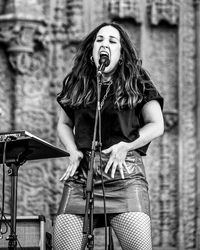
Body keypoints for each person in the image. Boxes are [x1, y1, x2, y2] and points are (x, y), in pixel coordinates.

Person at [53, 22, 164, 250]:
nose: (105, 44)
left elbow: (157, 124)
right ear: (92, 51)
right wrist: (72, 150)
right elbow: (64, 124)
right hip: (81, 178)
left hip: (124, 175)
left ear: (121, 54)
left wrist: (127, 145)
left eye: (112, 41)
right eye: (100, 40)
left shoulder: (137, 81)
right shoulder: (78, 81)